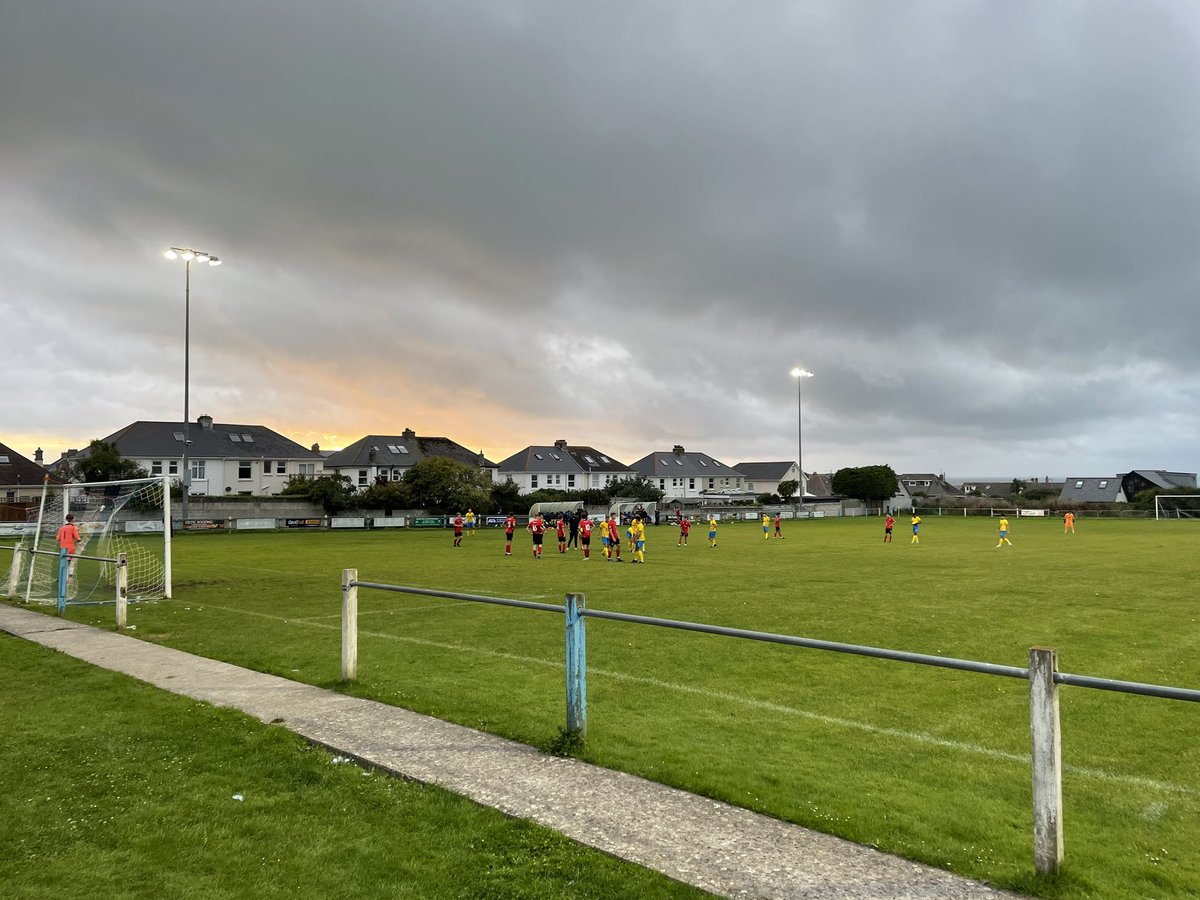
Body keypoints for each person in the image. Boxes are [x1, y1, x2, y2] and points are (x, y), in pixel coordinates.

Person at [57, 514, 82, 587]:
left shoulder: (61, 528)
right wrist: (81, 546)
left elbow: (58, 538)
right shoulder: (73, 527)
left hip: (62, 548)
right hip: (70, 548)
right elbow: (77, 538)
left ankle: (62, 578)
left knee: (64, 563)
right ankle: (70, 578)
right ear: (73, 519)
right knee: (71, 563)